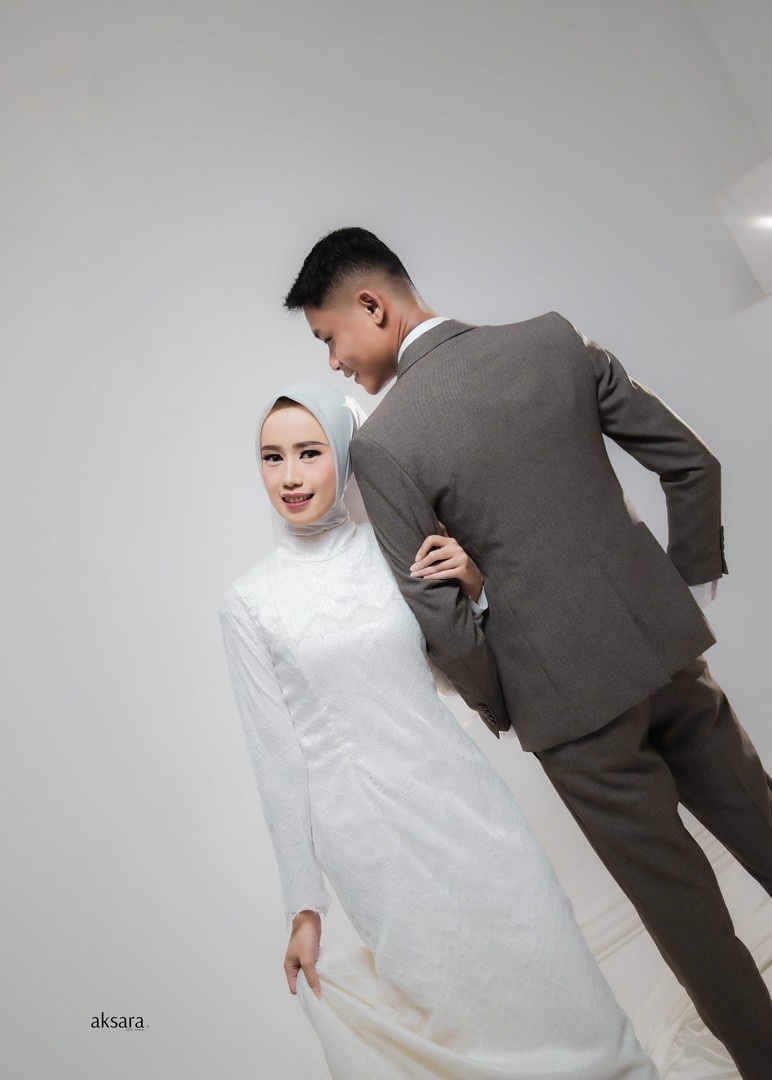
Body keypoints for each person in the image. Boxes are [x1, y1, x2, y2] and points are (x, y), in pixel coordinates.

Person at [283, 227, 772, 1080]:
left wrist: (506, 701)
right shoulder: (552, 338)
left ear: (372, 306)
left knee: (691, 923)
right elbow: (692, 464)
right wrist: (677, 601)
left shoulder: (386, 445)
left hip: (573, 720)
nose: (333, 361)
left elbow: (439, 615)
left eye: (329, 337)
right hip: (668, 661)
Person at [219, 381, 657, 1079]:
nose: (291, 476)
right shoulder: (248, 602)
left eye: (309, 452)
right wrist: (304, 907)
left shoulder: (390, 548)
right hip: (369, 833)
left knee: (538, 931)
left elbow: (464, 663)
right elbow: (275, 761)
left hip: (458, 790)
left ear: (344, 455)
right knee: (455, 1000)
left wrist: (475, 592)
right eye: (273, 458)